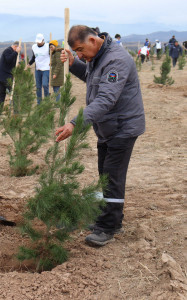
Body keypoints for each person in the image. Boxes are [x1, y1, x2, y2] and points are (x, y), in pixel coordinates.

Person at [56, 25, 145, 247]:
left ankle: (109, 226)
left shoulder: (116, 61)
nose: (79, 55)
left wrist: (75, 123)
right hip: (107, 129)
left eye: (80, 50)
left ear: (93, 41)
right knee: (104, 175)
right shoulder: (97, 57)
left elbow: (106, 99)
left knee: (112, 177)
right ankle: (106, 217)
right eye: (75, 51)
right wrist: (73, 64)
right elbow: (91, 78)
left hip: (122, 128)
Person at [0, 41, 21, 114]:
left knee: (2, 94)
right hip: (3, 77)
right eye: (18, 48)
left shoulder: (12, 52)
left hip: (4, 76)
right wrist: (16, 52)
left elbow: (12, 64)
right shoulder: (8, 50)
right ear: (15, 46)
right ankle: (16, 112)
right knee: (14, 93)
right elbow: (8, 60)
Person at [27, 33, 50, 104]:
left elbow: (53, 54)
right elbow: (34, 57)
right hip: (38, 69)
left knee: (45, 85)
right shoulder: (34, 47)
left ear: (43, 40)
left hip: (46, 68)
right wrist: (29, 64)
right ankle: (39, 103)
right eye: (37, 42)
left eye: (40, 42)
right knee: (38, 87)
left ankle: (46, 101)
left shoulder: (48, 46)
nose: (38, 43)